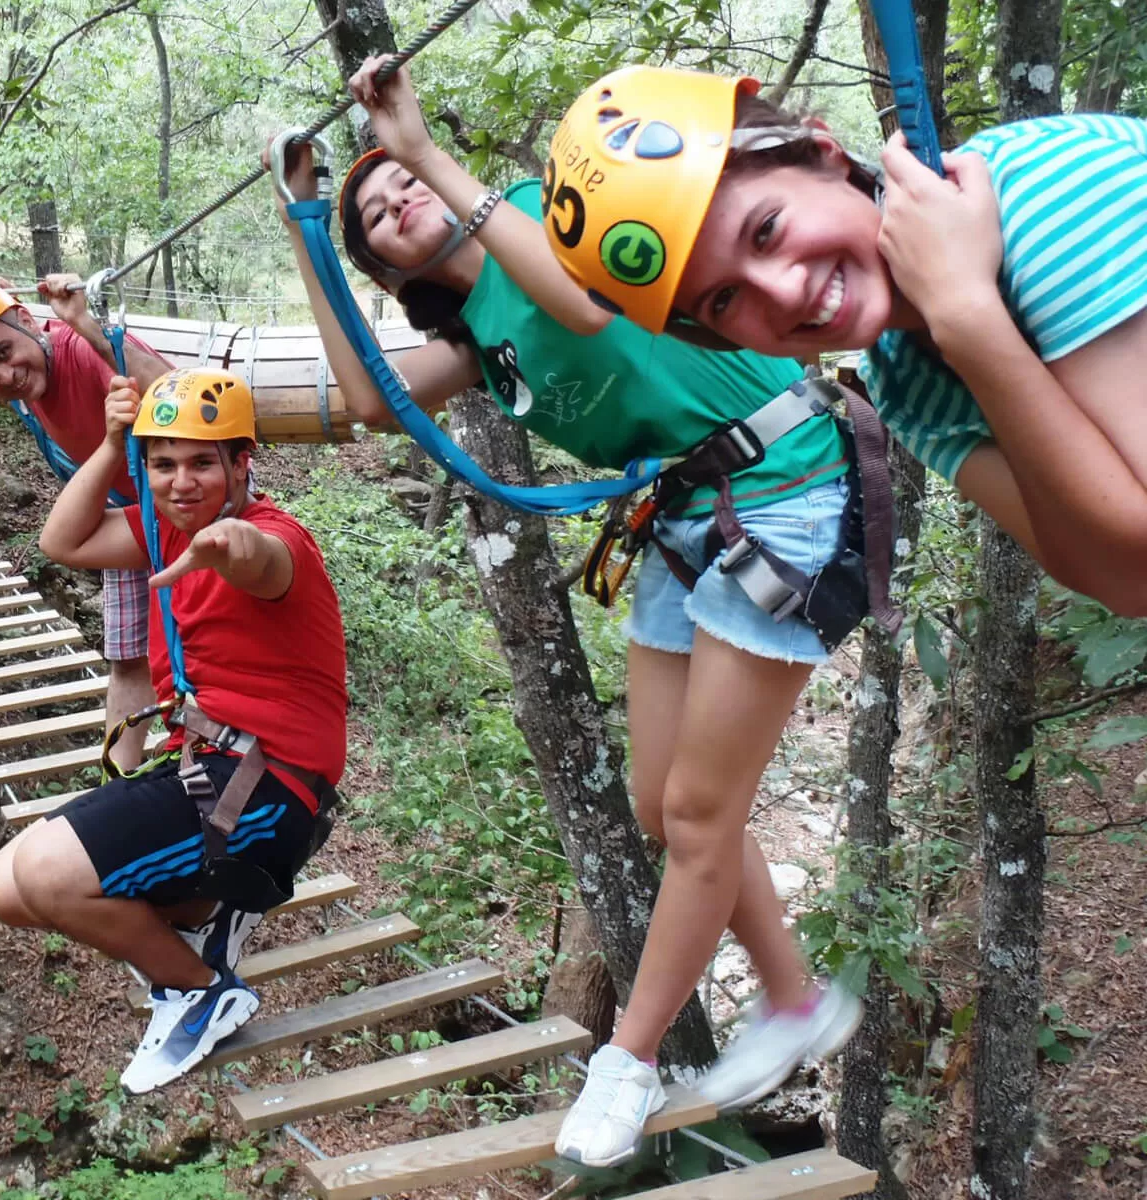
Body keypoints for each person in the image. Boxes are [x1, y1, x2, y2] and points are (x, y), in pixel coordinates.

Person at [272, 57, 865, 1167]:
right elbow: (366, 400)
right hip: (691, 520)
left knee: (694, 818)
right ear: (390, 268)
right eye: (376, 222)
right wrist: (310, 228)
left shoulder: (554, 216)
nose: (393, 204)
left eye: (396, 188)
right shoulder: (474, 345)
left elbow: (587, 306)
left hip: (784, 484)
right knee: (663, 807)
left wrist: (409, 141)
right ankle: (790, 997)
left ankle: (627, 1064)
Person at [547, 65, 1147, 614]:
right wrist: (963, 320)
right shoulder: (902, 381)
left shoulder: (1041, 197)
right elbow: (1119, 582)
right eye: (724, 299)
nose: (781, 293)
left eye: (766, 230)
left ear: (828, 154)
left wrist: (968, 318)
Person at [0, 366, 348, 1095]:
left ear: (242, 464)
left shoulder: (277, 541)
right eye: (164, 464)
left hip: (269, 788)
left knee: (49, 874)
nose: (182, 482)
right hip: (206, 767)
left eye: (204, 463)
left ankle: (201, 988)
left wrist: (225, 545)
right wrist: (116, 443)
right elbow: (63, 540)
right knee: (4, 888)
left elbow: (261, 560)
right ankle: (205, 912)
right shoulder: (164, 530)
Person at [0, 276, 178, 768]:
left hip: (186, 498)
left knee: (196, 649)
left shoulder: (79, 349)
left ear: (27, 321)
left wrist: (89, 326)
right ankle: (118, 776)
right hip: (128, 505)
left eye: (4, 352)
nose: (3, 376)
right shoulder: (25, 386)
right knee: (129, 658)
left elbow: (183, 395)